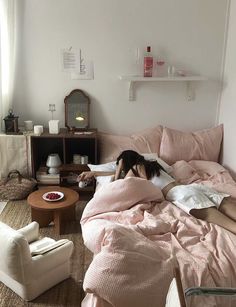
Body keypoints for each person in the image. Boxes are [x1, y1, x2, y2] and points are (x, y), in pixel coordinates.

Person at [78, 150, 236, 235]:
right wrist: (95, 173)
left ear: (125, 162)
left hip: (180, 194)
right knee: (224, 203)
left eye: (120, 163)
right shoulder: (153, 165)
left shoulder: (135, 169)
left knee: (213, 216)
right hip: (192, 188)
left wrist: (119, 166)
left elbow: (122, 183)